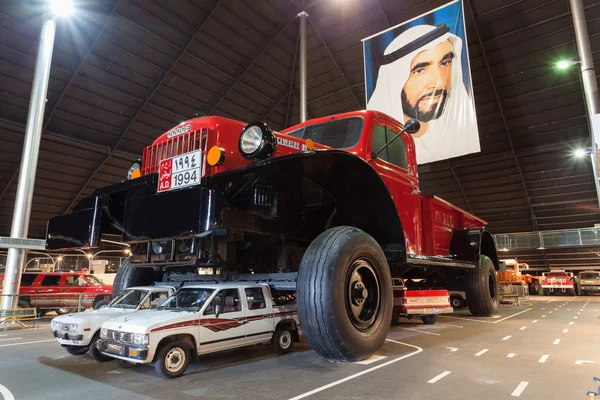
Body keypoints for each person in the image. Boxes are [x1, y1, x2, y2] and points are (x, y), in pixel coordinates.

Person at [367, 24, 480, 164]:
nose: (439, 83)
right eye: (420, 70)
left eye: (445, 63)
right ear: (395, 82)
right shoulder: (383, 152)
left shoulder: (455, 137)